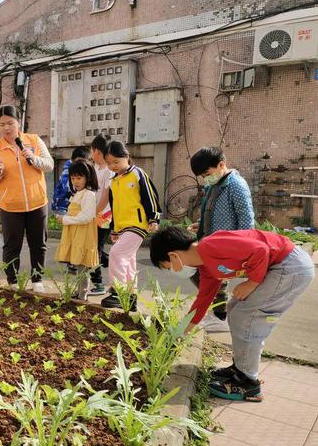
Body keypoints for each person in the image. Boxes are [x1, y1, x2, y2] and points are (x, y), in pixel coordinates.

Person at [150, 227, 314, 401]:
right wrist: (180, 333)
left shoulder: (210, 245)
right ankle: (240, 369)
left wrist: (251, 283)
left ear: (173, 256)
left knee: (247, 317)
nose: (171, 271)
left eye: (166, 267)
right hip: (282, 267)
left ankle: (249, 383)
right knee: (235, 309)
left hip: (290, 267)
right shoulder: (206, 267)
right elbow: (203, 301)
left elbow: (260, 250)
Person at [0, 105, 54, 292]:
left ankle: (37, 280)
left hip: (37, 202)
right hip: (10, 206)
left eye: (10, 123)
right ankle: (12, 281)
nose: (6, 128)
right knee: (12, 246)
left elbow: (49, 165)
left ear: (18, 122)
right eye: (2, 124)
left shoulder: (34, 140)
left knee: (38, 244)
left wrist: (33, 158)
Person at [186, 147, 255, 332]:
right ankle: (217, 314)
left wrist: (243, 250)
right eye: (202, 176)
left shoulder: (236, 185)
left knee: (216, 280)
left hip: (228, 245)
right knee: (202, 277)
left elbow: (246, 220)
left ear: (221, 164)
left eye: (207, 173)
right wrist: (199, 224)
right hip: (211, 242)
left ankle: (220, 316)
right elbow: (211, 211)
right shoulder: (214, 185)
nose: (205, 178)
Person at [100, 141, 160, 311]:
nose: (112, 166)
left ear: (126, 157)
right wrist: (114, 228)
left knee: (117, 253)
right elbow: (114, 206)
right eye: (109, 163)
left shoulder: (137, 174)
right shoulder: (114, 181)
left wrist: (153, 218)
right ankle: (131, 297)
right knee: (128, 260)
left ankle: (118, 293)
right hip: (122, 226)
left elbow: (150, 196)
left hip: (137, 224)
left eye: (116, 162)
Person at [55, 158, 99, 301]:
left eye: (79, 178)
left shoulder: (88, 195)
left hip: (84, 235)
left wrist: (66, 219)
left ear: (88, 177)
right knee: (79, 264)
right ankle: (80, 292)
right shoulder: (78, 194)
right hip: (77, 234)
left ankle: (83, 294)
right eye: (73, 178)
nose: (75, 181)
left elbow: (86, 217)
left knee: (83, 265)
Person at [88, 133, 113, 295]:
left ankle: (98, 284)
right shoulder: (95, 167)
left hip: (104, 216)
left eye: (91, 150)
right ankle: (115, 262)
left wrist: (93, 213)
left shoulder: (109, 171)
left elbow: (105, 197)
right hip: (93, 213)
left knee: (94, 248)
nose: (90, 154)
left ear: (97, 150)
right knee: (94, 247)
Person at [51, 146, 91, 215]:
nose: (80, 164)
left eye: (83, 162)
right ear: (72, 160)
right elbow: (69, 187)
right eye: (78, 161)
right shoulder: (68, 170)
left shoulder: (84, 169)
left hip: (73, 205)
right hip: (62, 207)